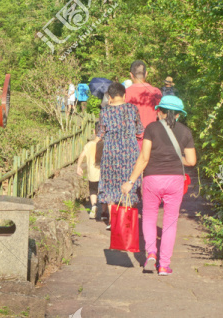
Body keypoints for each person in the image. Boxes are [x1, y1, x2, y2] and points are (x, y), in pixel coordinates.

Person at [121, 95, 196, 276]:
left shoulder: (151, 128)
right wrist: (177, 160)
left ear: (159, 111)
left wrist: (130, 181)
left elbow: (144, 158)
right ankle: (164, 265)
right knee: (170, 222)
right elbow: (192, 161)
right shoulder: (186, 132)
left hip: (152, 179)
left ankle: (151, 255)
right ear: (178, 115)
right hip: (175, 180)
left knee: (148, 217)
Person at [97, 82, 144, 229]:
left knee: (110, 186)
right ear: (124, 95)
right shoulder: (132, 108)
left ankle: (113, 221)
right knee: (130, 183)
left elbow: (100, 133)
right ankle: (128, 221)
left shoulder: (104, 111)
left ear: (109, 97)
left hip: (110, 152)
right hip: (130, 152)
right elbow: (139, 129)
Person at [125, 61, 162, 143]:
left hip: (131, 140)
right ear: (146, 74)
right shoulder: (156, 92)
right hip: (152, 139)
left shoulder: (125, 93)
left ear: (131, 75)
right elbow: (160, 116)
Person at [76, 132, 102, 218]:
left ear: (94, 132)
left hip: (92, 173)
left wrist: (78, 166)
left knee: (93, 190)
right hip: (103, 173)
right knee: (103, 191)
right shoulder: (105, 143)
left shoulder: (89, 145)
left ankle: (94, 206)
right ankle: (104, 212)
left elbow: (81, 156)